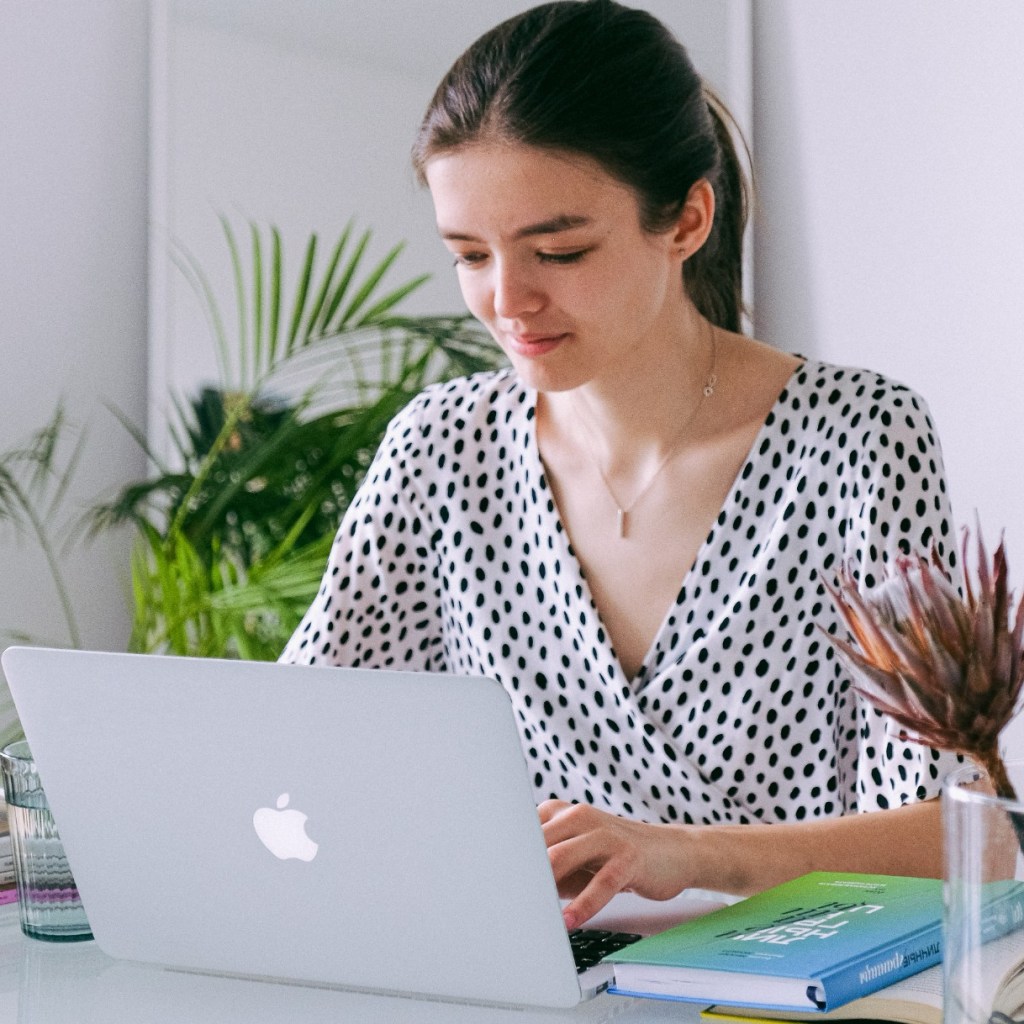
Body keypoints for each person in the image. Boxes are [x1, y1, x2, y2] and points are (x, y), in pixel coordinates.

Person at [281, 0, 959, 929]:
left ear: (686, 220)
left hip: (797, 978)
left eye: (560, 250)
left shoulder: (859, 439)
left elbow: (954, 836)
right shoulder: (441, 448)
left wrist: (678, 854)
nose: (507, 301)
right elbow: (293, 740)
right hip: (536, 976)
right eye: (469, 255)